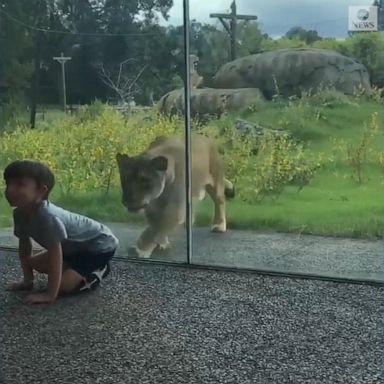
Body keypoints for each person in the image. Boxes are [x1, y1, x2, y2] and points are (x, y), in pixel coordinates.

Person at [4, 160, 119, 305]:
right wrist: (28, 280)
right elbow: (24, 246)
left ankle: (99, 269)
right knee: (35, 263)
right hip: (73, 248)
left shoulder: (48, 217)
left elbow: (55, 254)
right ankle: (74, 269)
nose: (10, 190)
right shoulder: (20, 214)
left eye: (20, 184)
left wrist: (50, 294)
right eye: (8, 183)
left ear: (41, 190)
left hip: (99, 246)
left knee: (63, 287)